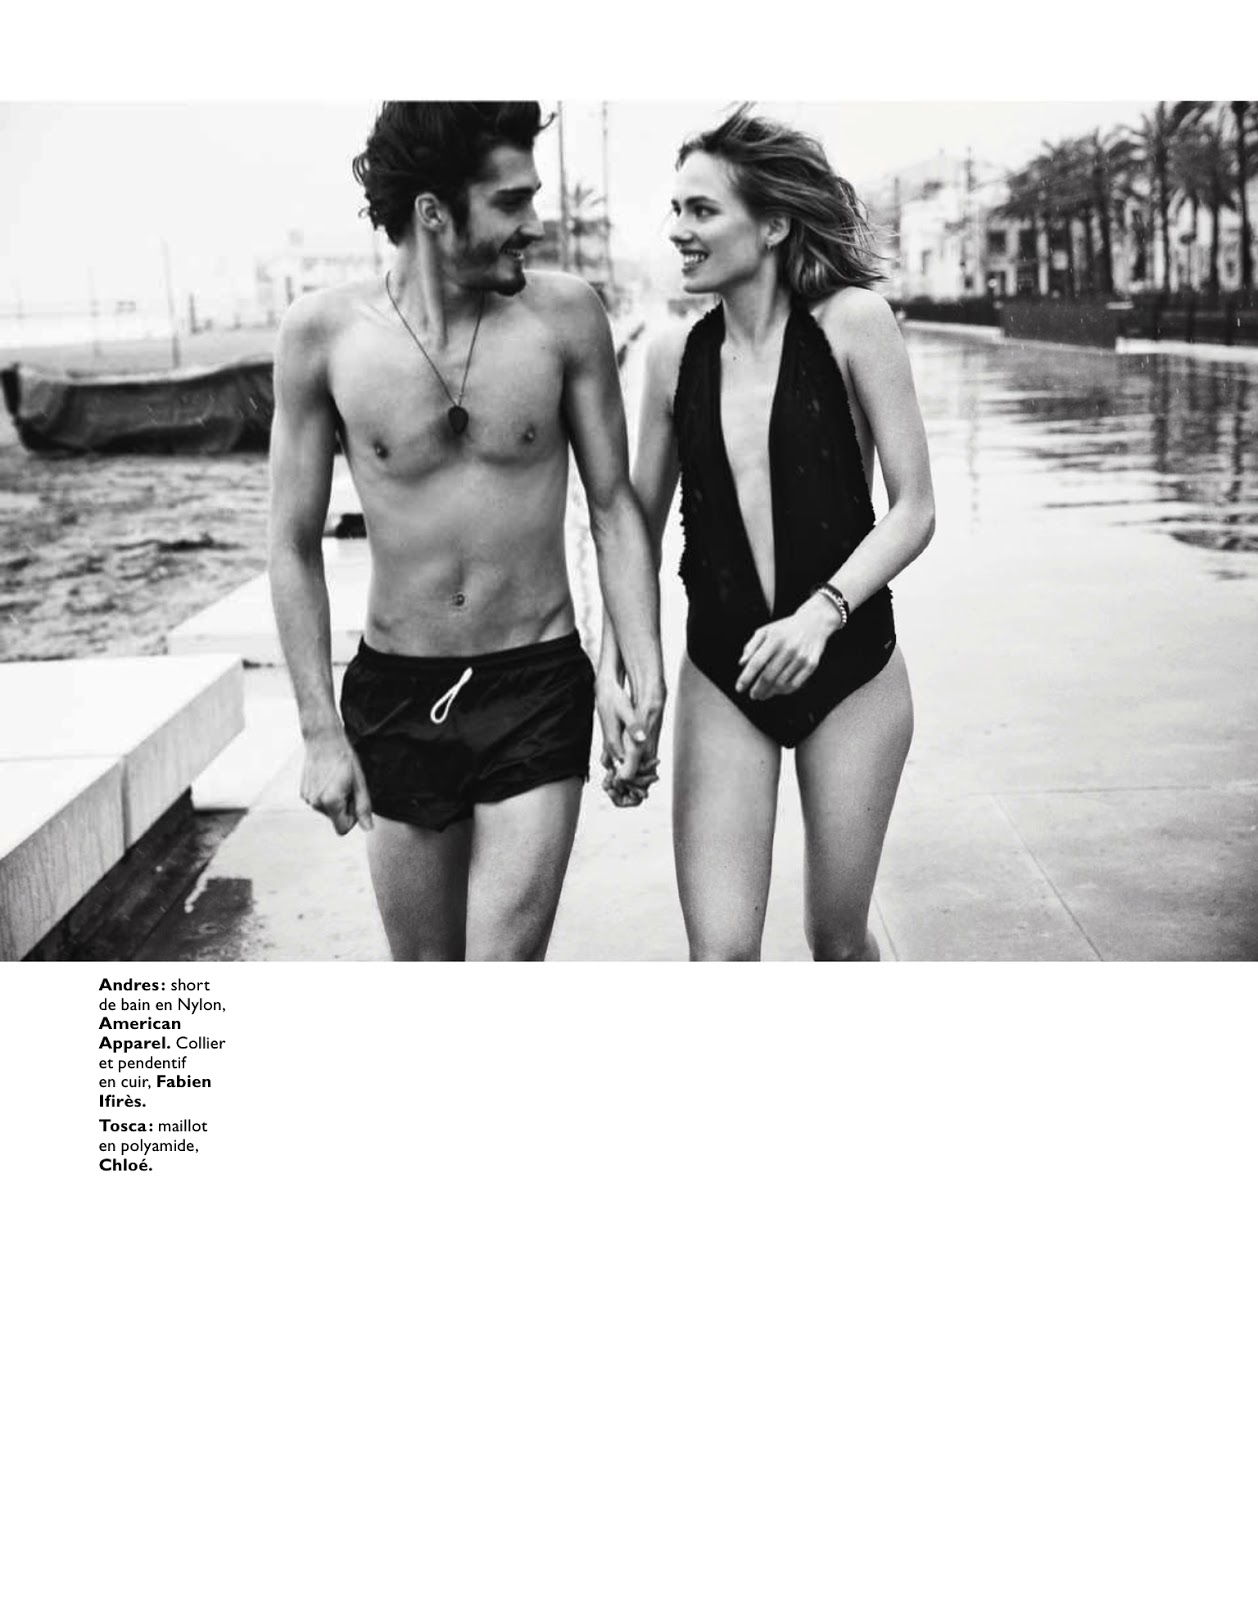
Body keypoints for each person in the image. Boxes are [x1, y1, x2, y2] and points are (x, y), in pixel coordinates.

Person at [269, 101, 664, 961]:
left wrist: (635, 667)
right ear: (433, 213)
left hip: (534, 683)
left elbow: (612, 506)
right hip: (397, 694)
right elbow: (292, 546)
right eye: (512, 202)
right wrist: (318, 731)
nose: (536, 223)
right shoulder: (322, 337)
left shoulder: (566, 319)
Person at [604, 106, 934, 960]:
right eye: (675, 209)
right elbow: (633, 529)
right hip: (725, 675)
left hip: (852, 669)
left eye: (702, 210)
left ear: (774, 224)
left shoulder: (854, 323)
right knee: (719, 958)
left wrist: (821, 614)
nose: (679, 230)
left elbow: (915, 508)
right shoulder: (673, 357)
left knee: (836, 940)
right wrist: (623, 672)